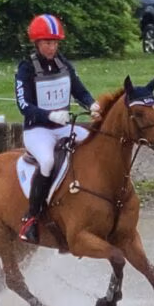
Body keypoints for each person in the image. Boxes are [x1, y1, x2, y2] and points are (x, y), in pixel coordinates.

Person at [15, 13, 102, 243]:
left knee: (95, 144)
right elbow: (24, 106)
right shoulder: (26, 69)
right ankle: (31, 218)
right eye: (47, 43)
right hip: (38, 131)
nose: (52, 47)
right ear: (37, 43)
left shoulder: (64, 64)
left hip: (64, 127)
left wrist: (91, 104)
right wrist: (49, 114)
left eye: (55, 43)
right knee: (47, 162)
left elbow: (79, 90)